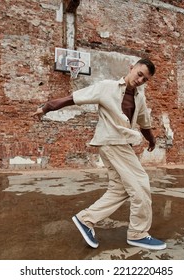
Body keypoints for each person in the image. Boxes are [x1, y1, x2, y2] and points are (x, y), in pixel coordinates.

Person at [32, 58, 166, 250]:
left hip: (121, 144)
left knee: (119, 189)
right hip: (112, 142)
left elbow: (144, 124)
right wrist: (46, 107)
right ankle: (138, 233)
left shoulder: (139, 97)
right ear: (131, 69)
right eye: (139, 74)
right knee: (141, 185)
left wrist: (152, 140)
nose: (140, 80)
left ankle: (86, 219)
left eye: (145, 79)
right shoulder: (107, 87)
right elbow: (75, 98)